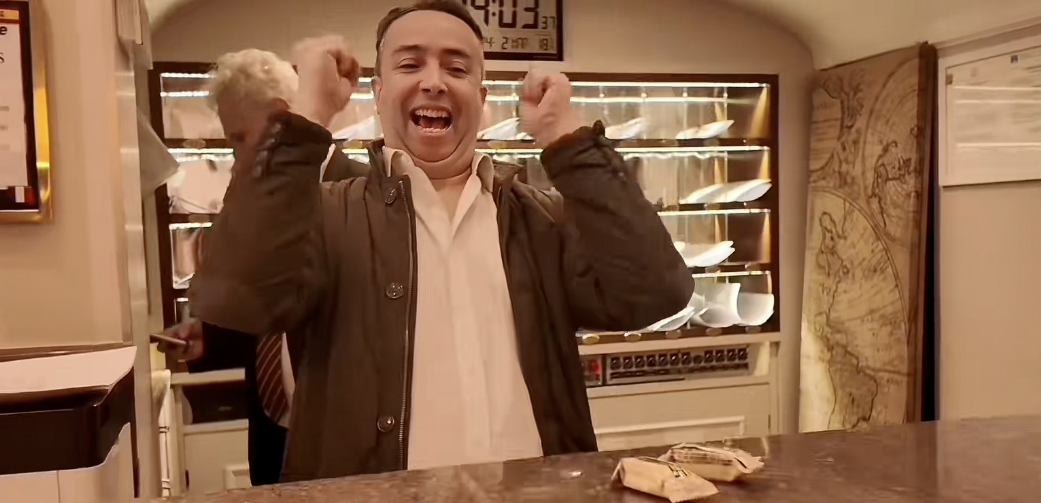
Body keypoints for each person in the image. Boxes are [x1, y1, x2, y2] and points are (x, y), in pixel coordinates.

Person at [182, 0, 693, 482]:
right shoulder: (325, 214)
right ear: (379, 93)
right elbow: (235, 296)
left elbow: (656, 292)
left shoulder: (542, 220)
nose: (433, 82)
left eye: (457, 68)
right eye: (410, 65)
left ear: (482, 99)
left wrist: (567, 137)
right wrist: (306, 118)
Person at [162, 48, 361, 485]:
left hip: (345, 449)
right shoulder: (251, 204)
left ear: (279, 118)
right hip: (272, 444)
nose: (235, 156)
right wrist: (211, 337)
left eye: (239, 138)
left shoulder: (364, 194)